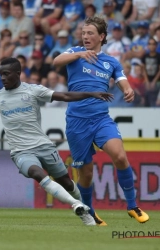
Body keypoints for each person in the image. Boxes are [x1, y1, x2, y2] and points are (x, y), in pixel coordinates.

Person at [0, 57, 114, 226]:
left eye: (6, 74)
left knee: (67, 182)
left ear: (18, 73)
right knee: (37, 173)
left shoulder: (33, 90)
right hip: (21, 151)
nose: (2, 78)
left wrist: (91, 94)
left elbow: (64, 95)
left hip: (44, 146)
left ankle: (88, 211)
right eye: (0, 74)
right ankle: (76, 205)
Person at [53, 16, 150, 225]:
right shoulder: (74, 53)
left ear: (101, 37)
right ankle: (90, 212)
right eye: (83, 33)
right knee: (85, 174)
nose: (85, 36)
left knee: (120, 156)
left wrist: (128, 89)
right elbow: (56, 61)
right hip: (77, 122)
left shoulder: (111, 61)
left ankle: (133, 206)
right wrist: (79, 53)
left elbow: (122, 78)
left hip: (101, 119)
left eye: (90, 33)